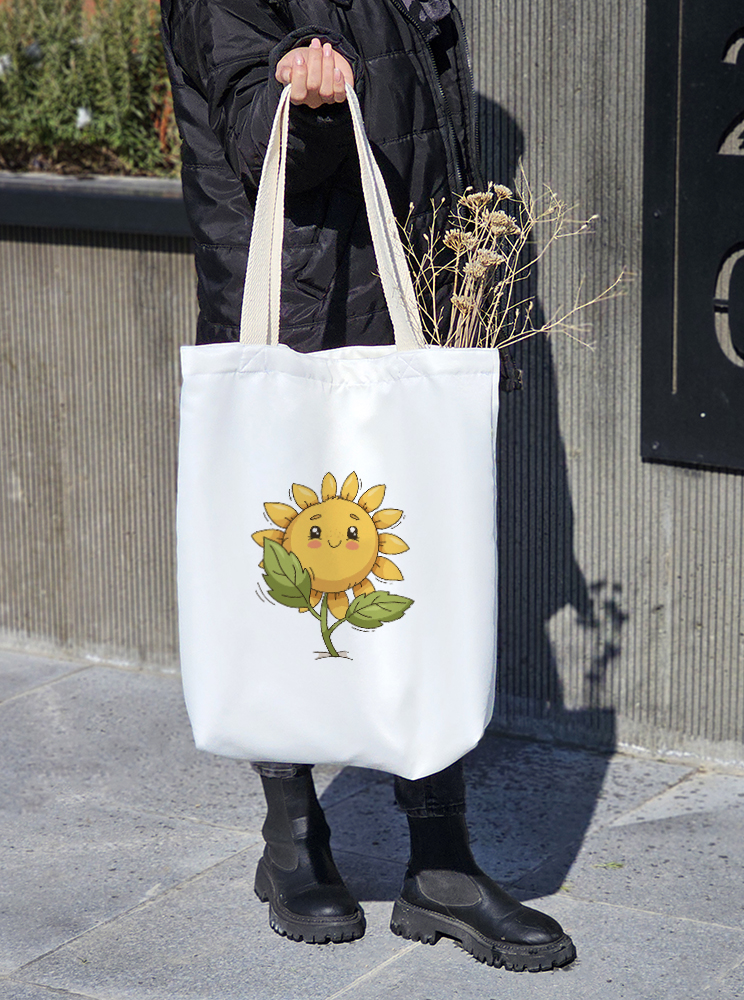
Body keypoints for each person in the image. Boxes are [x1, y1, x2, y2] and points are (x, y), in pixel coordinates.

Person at [159, 0, 575, 973]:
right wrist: (301, 105)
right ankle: (292, 837)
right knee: (289, 572)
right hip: (297, 302)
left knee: (420, 568)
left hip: (399, 298)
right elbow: (254, 134)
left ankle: (442, 861)